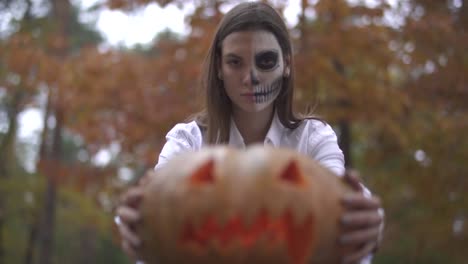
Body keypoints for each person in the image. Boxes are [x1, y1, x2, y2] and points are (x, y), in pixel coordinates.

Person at [115, 2, 384, 264]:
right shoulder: (188, 140)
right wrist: (133, 219)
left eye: (265, 61)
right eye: (235, 62)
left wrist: (368, 219)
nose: (250, 77)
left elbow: (337, 201)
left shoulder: (312, 138)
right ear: (219, 68)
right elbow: (160, 203)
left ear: (286, 64)